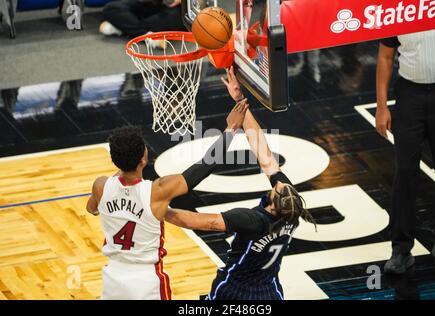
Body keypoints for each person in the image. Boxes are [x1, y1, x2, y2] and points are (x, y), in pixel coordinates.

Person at [165, 67, 316, 300]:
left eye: (279, 187)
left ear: (273, 203)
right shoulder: (290, 210)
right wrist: (240, 101)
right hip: (270, 291)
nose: (279, 182)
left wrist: (161, 210)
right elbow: (260, 147)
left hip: (235, 291)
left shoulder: (252, 220)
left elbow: (204, 222)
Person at [86, 101, 248, 300]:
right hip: (145, 281)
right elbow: (204, 166)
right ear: (143, 159)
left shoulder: (101, 186)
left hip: (113, 277)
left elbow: (92, 209)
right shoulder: (157, 191)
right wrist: (230, 130)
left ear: (114, 160)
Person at [376, 28, 435, 274]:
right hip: (410, 96)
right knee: (405, 173)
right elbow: (386, 57)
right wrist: (382, 107)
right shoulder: (400, 8)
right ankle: (401, 250)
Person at [99, 0, 186, 39]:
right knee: (111, 8)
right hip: (155, 4)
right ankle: (145, 35)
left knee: (173, 19)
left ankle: (122, 28)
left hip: (181, 7)